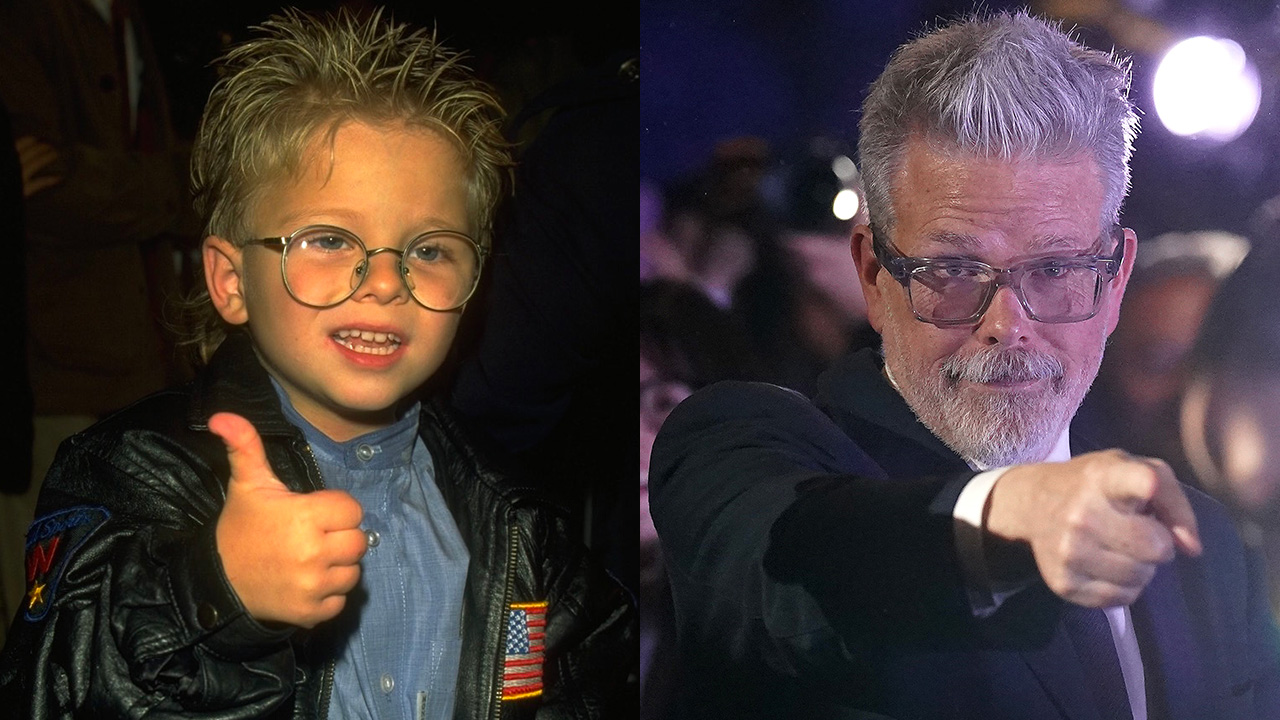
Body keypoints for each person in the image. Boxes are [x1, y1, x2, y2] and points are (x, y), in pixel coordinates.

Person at [0, 9, 634, 719]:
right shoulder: (131, 474)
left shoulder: (518, 518)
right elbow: (53, 687)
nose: (387, 282)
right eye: (330, 238)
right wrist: (213, 595)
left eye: (430, 250)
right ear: (232, 280)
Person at [649, 11, 1280, 720]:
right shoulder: (736, 446)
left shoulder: (1204, 548)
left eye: (1054, 269)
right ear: (873, 274)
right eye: (952, 270)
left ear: (1115, 278)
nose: (1007, 325)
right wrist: (1009, 520)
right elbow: (798, 559)